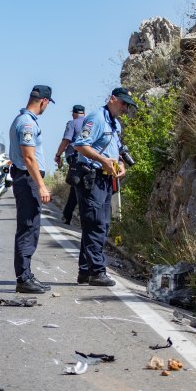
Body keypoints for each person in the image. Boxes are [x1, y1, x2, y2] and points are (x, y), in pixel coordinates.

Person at [72, 87, 137, 286]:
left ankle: (85, 271)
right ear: (112, 99)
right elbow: (80, 144)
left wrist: (121, 165)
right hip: (91, 176)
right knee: (96, 223)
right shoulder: (96, 118)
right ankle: (97, 271)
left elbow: (116, 150)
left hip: (106, 178)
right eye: (123, 103)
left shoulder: (114, 124)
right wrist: (103, 161)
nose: (125, 108)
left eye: (128, 105)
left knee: (101, 224)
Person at [9, 85, 54, 294]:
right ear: (44, 101)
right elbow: (28, 157)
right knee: (28, 227)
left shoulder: (22, 120)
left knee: (30, 227)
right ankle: (23, 278)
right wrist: (41, 185)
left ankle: (26, 274)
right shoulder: (27, 123)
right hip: (28, 180)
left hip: (25, 179)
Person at [54, 104, 85, 224]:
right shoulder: (90, 122)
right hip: (90, 158)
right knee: (77, 186)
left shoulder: (72, 123)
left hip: (74, 157)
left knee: (76, 186)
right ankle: (68, 215)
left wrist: (58, 155)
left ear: (73, 113)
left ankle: (69, 216)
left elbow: (66, 140)